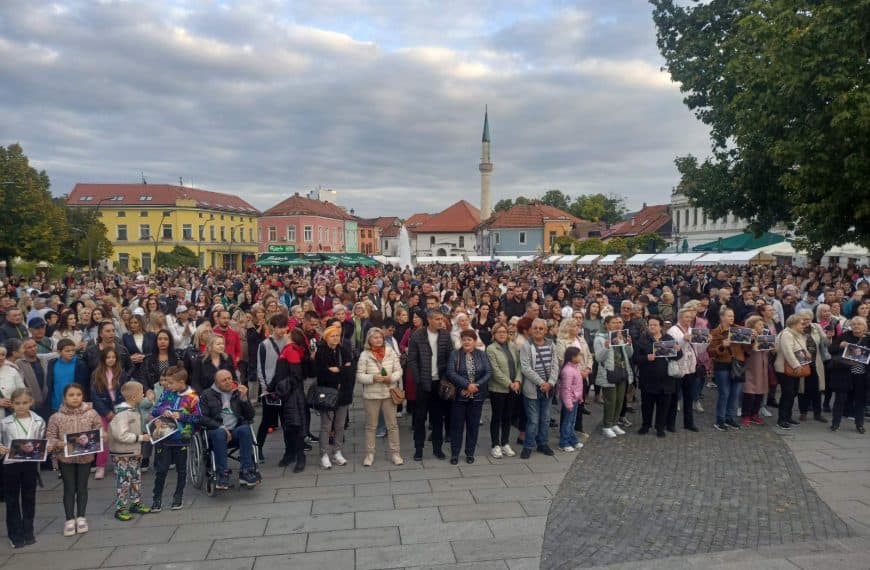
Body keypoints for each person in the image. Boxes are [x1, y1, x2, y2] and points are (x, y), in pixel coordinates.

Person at [45, 383, 101, 537]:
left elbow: (99, 431)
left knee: (82, 487)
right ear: (64, 397)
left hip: (85, 457)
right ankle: (69, 519)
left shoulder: (92, 414)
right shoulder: (56, 417)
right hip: (65, 458)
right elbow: (50, 437)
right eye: (71, 395)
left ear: (83, 396)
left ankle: (81, 517)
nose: (75, 398)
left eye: (78, 394)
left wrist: (99, 437)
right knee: (69, 488)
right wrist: (58, 443)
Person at [199, 369, 261, 489]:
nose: (228, 382)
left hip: (235, 431)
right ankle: (222, 473)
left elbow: (250, 416)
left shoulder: (238, 392)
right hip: (215, 433)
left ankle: (246, 471)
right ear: (216, 383)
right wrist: (220, 427)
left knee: (245, 429)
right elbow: (202, 418)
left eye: (229, 378)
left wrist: (244, 399)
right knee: (220, 433)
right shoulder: (207, 395)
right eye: (224, 380)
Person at [150, 366, 200, 512]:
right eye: (166, 381)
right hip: (164, 438)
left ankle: (178, 496)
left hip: (181, 438)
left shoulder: (192, 397)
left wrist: (182, 416)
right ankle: (156, 498)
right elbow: (155, 409)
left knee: (181, 469)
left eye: (170, 382)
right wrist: (163, 411)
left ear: (181, 382)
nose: (167, 385)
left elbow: (198, 418)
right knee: (161, 470)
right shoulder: (167, 393)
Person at [0, 388, 45, 547]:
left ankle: (28, 531)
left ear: (31, 402)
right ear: (12, 404)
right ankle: (15, 535)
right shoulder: (5, 422)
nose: (21, 406)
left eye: (25, 403)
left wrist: (44, 448)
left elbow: (41, 441)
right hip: (11, 464)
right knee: (12, 499)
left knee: (29, 497)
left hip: (30, 464)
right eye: (17, 403)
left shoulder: (39, 421)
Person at [406, 309, 452, 461]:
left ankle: (437, 449)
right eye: (437, 319)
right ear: (429, 320)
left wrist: (446, 378)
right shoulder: (417, 335)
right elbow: (412, 359)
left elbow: (450, 357)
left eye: (442, 319)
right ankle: (418, 449)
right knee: (420, 418)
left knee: (438, 417)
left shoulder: (445, 335)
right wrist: (418, 378)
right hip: (423, 383)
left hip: (439, 382)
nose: (441, 322)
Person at [356, 327, 403, 466]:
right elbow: (359, 376)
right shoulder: (365, 355)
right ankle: (369, 454)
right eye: (375, 337)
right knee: (371, 426)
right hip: (372, 395)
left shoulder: (390, 352)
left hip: (389, 392)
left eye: (380, 337)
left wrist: (391, 378)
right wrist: (372, 378)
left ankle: (395, 453)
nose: (378, 340)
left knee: (392, 425)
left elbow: (399, 370)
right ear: (369, 340)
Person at [108, 380, 152, 521]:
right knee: (123, 480)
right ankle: (121, 508)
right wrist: (140, 437)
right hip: (122, 453)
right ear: (134, 397)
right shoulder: (123, 414)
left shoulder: (134, 411)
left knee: (135, 477)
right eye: (141, 393)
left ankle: (135, 502)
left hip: (133, 451)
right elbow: (121, 435)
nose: (143, 395)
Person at [446, 330, 491, 464]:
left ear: (475, 341)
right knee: (457, 426)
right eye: (464, 339)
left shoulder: (482, 354)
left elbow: (488, 372)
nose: (466, 342)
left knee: (473, 426)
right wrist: (466, 385)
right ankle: (455, 454)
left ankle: (470, 453)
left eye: (469, 339)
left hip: (477, 396)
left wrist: (475, 386)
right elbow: (450, 373)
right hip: (459, 396)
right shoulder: (455, 354)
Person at [315, 324, 353, 469]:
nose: (336, 338)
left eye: (337, 335)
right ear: (326, 338)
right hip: (328, 394)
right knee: (326, 425)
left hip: (343, 392)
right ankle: (324, 454)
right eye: (332, 336)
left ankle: (337, 451)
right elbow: (322, 374)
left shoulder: (343, 350)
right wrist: (342, 370)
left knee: (340, 425)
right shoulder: (321, 352)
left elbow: (350, 371)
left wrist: (338, 370)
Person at [519, 318, 559, 458]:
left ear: (546, 330)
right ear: (531, 329)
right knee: (533, 420)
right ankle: (528, 445)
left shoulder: (551, 344)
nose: (538, 330)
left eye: (541, 328)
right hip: (533, 388)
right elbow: (525, 368)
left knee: (545, 419)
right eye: (535, 328)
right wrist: (542, 383)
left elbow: (555, 365)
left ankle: (543, 443)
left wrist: (551, 382)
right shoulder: (526, 345)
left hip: (548, 388)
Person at [633, 316, 679, 437]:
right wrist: (646, 358)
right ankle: (645, 425)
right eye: (650, 325)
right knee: (647, 405)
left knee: (663, 406)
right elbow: (635, 358)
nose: (652, 327)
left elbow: (677, 356)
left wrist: (678, 350)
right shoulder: (642, 339)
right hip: (648, 378)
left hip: (666, 379)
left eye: (655, 325)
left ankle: (660, 427)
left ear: (661, 326)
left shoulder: (668, 339)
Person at [270, 329, 309, 472]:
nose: (285, 334)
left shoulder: (291, 350)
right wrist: (271, 388)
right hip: (288, 394)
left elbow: (295, 376)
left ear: (292, 337)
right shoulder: (289, 349)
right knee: (289, 425)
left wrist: (281, 389)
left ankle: (299, 456)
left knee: (295, 426)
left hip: (292, 395)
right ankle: (290, 454)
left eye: (288, 333)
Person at [90, 347, 130, 480]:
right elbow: (94, 395)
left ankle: (118, 463)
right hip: (103, 411)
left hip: (119, 410)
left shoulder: (122, 373)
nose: (111, 360)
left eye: (113, 357)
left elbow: (126, 392)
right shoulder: (96, 374)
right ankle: (100, 466)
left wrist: (120, 410)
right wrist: (106, 412)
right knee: (103, 439)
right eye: (108, 357)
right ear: (103, 359)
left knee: (118, 438)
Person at [255, 313, 290, 463]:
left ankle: (289, 451)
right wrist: (265, 388)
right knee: (266, 420)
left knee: (286, 420)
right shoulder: (264, 345)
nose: (282, 330)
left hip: (286, 386)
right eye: (279, 327)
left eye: (284, 327)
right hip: (270, 388)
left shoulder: (289, 341)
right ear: (273, 327)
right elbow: (260, 368)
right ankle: (257, 449)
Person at [594, 315, 635, 439]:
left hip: (622, 371)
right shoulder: (600, 338)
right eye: (614, 322)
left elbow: (630, 355)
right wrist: (606, 347)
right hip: (609, 373)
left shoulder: (621, 336)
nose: (617, 324)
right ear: (607, 325)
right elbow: (599, 358)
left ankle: (614, 423)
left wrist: (629, 345)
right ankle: (607, 425)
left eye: (619, 322)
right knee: (610, 401)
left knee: (620, 400)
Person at [485, 323, 521, 459]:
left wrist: (517, 381)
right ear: (494, 334)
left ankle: (505, 443)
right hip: (498, 389)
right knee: (497, 417)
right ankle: (495, 445)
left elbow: (519, 365)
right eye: (499, 332)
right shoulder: (491, 349)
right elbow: (495, 370)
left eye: (504, 332)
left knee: (508, 416)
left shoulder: (512, 346)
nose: (502, 334)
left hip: (513, 387)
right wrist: (509, 383)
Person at [708, 307, 746, 431]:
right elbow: (710, 351)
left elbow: (747, 348)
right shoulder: (715, 332)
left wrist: (752, 339)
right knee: (724, 393)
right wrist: (721, 346)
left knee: (735, 393)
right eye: (729, 316)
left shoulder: (740, 329)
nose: (732, 318)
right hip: (722, 364)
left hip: (737, 364)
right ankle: (720, 420)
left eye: (733, 316)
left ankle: (730, 418)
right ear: (722, 317)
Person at [828, 317, 868, 433]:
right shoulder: (845, 335)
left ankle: (859, 424)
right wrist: (840, 345)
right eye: (854, 324)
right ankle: (835, 424)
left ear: (864, 327)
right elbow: (831, 349)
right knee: (840, 399)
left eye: (859, 324)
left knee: (860, 400)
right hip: (844, 373)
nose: (856, 326)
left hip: (861, 375)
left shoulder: (868, 338)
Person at [773, 314, 811, 430]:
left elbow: (800, 349)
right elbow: (787, 351)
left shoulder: (798, 334)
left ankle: (788, 416)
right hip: (785, 368)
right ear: (794, 324)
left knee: (793, 393)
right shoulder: (786, 334)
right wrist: (796, 365)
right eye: (801, 323)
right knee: (787, 393)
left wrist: (807, 354)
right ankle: (781, 419)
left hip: (794, 368)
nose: (803, 326)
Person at [666, 308, 700, 433]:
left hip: (690, 367)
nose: (689, 319)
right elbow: (671, 350)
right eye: (686, 317)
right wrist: (683, 340)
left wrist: (706, 341)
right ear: (680, 318)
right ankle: (670, 423)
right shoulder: (672, 331)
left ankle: (689, 423)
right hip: (678, 368)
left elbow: (699, 349)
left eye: (690, 317)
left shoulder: (692, 330)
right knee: (674, 397)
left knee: (689, 396)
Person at [796, 309, 830, 423]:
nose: (806, 321)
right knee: (803, 389)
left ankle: (817, 413)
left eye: (808, 319)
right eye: (804, 319)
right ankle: (803, 412)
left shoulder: (816, 327)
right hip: (801, 361)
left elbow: (825, 343)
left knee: (816, 389)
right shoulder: (796, 328)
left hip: (816, 361)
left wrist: (828, 337)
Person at [45, 339, 90, 414]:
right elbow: (50, 383)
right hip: (55, 404)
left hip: (74, 405)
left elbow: (83, 386)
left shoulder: (80, 364)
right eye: (67, 351)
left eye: (73, 350)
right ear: (59, 352)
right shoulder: (52, 363)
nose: (71, 353)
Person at [742, 316, 770, 426]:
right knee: (749, 392)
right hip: (751, 367)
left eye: (763, 325)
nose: (762, 327)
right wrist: (754, 339)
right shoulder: (748, 335)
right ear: (752, 326)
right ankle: (746, 415)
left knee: (760, 391)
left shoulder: (765, 335)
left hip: (762, 366)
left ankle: (755, 413)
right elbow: (746, 349)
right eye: (759, 325)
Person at [558, 346, 585, 450]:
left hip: (575, 399)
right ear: (572, 357)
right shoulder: (568, 371)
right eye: (579, 355)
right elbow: (566, 389)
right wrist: (568, 403)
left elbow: (577, 385)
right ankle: (564, 442)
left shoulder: (575, 367)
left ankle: (572, 439)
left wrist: (579, 397)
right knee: (568, 422)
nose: (580, 357)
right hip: (570, 401)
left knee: (572, 421)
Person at [0, 345, 26, 414]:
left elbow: (22, 391)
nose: (1, 357)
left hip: (12, 413)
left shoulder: (12, 371)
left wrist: (15, 402)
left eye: (3, 355)